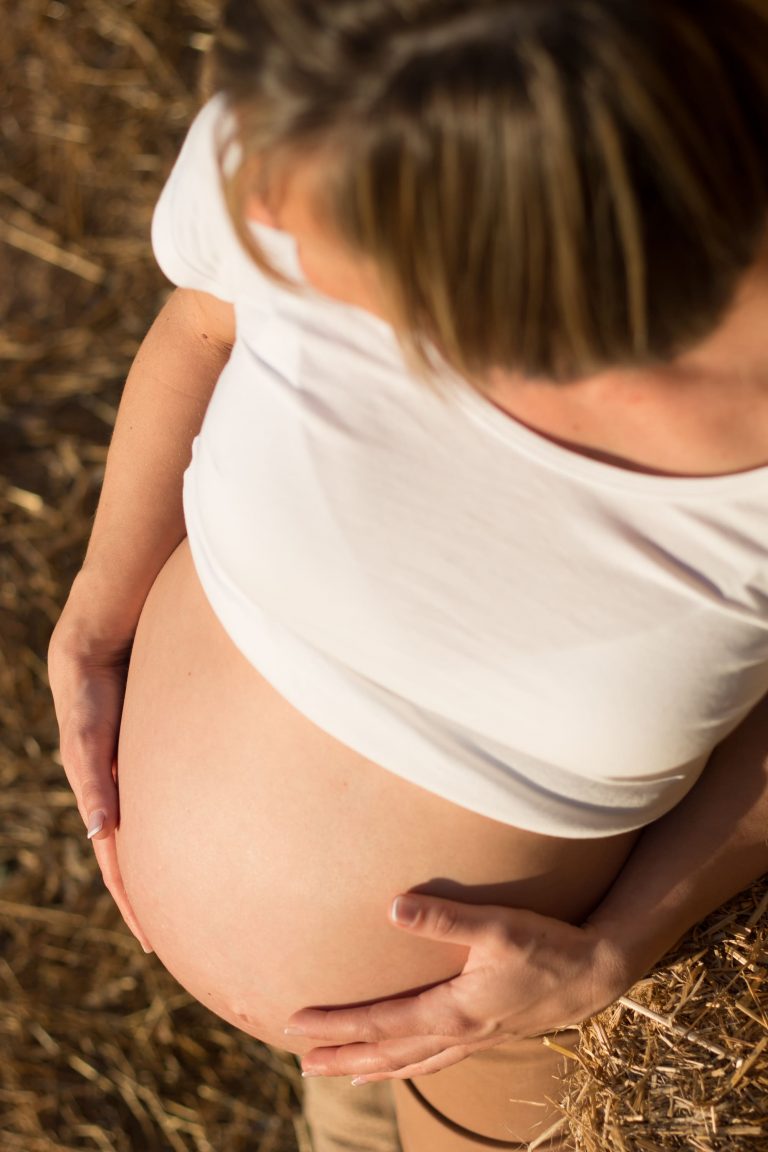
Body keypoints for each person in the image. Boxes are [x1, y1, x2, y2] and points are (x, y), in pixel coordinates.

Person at [48, 1, 768, 1149]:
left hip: (492, 1033)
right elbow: (203, 323)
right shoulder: (333, 93)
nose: (258, 215)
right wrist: (99, 604)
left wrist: (617, 949)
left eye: (318, 227)